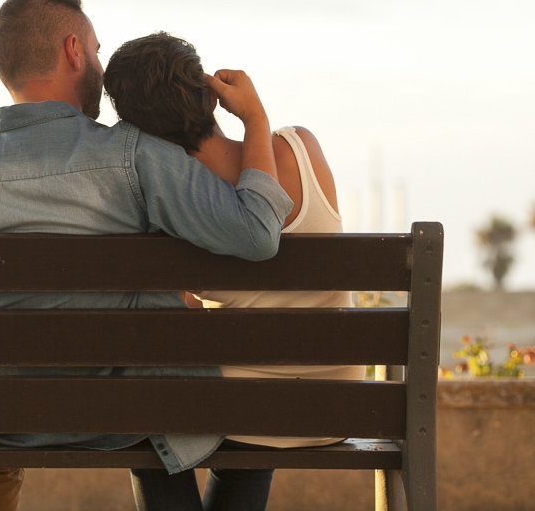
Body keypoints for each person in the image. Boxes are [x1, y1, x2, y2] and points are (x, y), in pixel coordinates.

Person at [0, 0, 293, 511]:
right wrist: (256, 121)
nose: (98, 63)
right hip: (114, 418)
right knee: (154, 390)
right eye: (96, 50)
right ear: (74, 51)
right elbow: (256, 234)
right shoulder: (131, 154)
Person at [103, 31, 361, 449]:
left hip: (236, 410)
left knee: (182, 397)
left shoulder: (173, 206)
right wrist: (255, 118)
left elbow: (177, 314)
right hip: (337, 404)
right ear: (209, 95)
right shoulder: (301, 149)